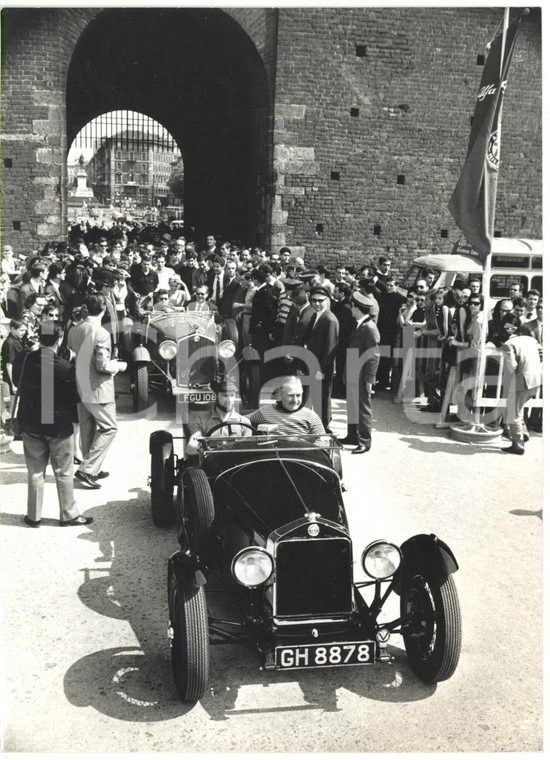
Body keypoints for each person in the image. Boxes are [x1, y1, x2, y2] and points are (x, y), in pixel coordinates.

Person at [13, 321, 92, 527]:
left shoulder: (27, 360)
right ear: (60, 339)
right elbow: (76, 397)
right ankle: (68, 515)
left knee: (35, 471)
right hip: (57, 425)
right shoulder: (65, 367)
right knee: (63, 472)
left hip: (30, 423)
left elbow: (17, 385)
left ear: (40, 338)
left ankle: (34, 516)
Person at [68, 293, 127, 488]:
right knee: (109, 428)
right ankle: (87, 469)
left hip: (81, 385)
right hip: (99, 388)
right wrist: (118, 366)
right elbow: (102, 365)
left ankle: (90, 465)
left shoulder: (75, 330)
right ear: (103, 309)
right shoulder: (101, 333)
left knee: (87, 427)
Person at [339, 292, 380, 454]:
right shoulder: (359, 324)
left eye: (353, 306)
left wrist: (369, 380)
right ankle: (352, 435)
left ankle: (364, 440)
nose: (351, 309)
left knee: (363, 408)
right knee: (352, 405)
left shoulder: (369, 328)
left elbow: (374, 356)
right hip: (352, 372)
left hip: (362, 375)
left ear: (357, 308)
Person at [497, 313, 542, 455]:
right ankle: (523, 433)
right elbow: (541, 351)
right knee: (518, 408)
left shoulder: (507, 345)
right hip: (537, 380)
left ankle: (518, 444)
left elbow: (511, 367)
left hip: (522, 380)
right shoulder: (530, 340)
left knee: (512, 411)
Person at [186, 376, 253, 455]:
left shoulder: (244, 423)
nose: (229, 400)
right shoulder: (201, 420)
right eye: (225, 395)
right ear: (216, 396)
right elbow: (190, 448)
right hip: (211, 464)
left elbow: (248, 451)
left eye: (232, 395)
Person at [304, 285, 339, 430]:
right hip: (313, 363)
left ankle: (324, 427)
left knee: (323, 398)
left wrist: (322, 370)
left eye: (320, 301)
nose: (316, 304)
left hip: (322, 367)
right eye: (313, 301)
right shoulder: (316, 315)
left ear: (327, 300)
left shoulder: (330, 319)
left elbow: (330, 349)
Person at [247, 375, 326, 435]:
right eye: (291, 396)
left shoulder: (310, 416)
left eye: (298, 395)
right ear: (280, 395)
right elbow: (242, 421)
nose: (295, 400)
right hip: (271, 454)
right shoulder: (264, 412)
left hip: (299, 455)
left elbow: (323, 440)